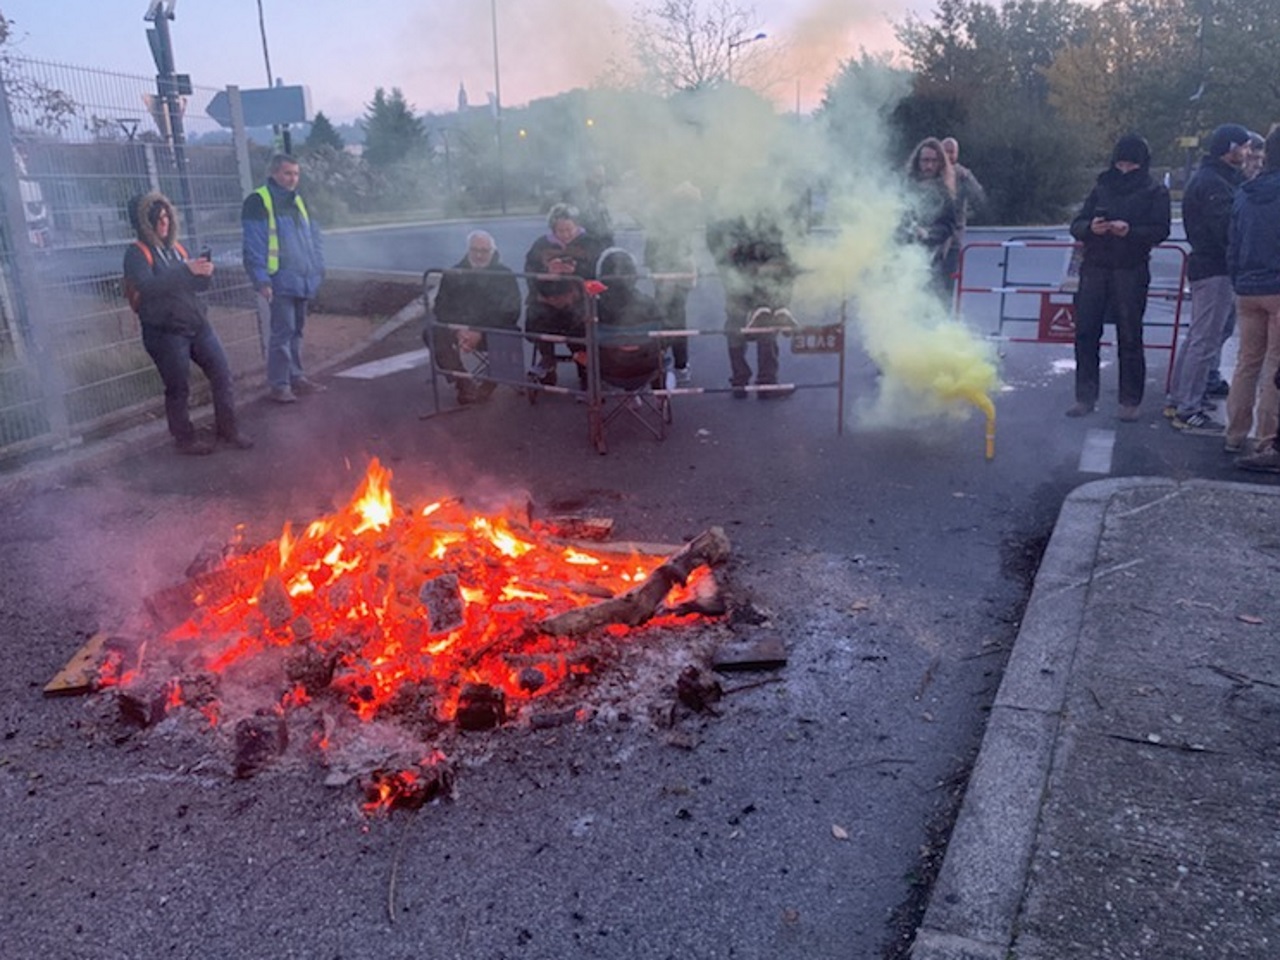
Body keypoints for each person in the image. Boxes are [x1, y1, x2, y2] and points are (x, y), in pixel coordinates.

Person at [124, 192, 252, 455]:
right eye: (158, 219)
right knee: (178, 387)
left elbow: (193, 286)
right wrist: (185, 270)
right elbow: (147, 287)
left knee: (222, 374)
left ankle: (228, 429)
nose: (164, 223)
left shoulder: (176, 249)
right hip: (166, 331)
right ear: (144, 223)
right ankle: (184, 439)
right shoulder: (137, 253)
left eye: (166, 217)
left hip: (196, 324)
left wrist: (203, 274)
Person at [1065, 133, 1171, 421]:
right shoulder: (1102, 186)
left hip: (1131, 268)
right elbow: (1076, 224)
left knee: (1130, 335)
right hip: (1095, 268)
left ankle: (1130, 400)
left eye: (1131, 165)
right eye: (1121, 164)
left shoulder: (1155, 191)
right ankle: (1084, 397)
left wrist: (1131, 231)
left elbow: (1161, 230)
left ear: (1142, 164)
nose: (1124, 170)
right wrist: (1091, 228)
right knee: (1086, 332)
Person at [1165, 123, 1249, 434]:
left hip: (1210, 267)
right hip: (1215, 269)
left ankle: (1178, 399)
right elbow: (1227, 229)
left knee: (1200, 335)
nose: (1247, 152)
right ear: (1229, 148)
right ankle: (1188, 408)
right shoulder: (1214, 184)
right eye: (1243, 146)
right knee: (1206, 339)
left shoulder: (1218, 178)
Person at [242, 152, 326, 404]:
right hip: (280, 279)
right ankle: (280, 384)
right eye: (288, 173)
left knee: (297, 330)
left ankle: (296, 377)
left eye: (296, 174)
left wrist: (318, 268)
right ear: (274, 173)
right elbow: (254, 244)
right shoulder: (258, 201)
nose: (292, 179)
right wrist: (262, 280)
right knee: (283, 331)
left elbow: (314, 236)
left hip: (303, 277)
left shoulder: (299, 201)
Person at [1225, 126, 1280, 468]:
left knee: (1246, 363)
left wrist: (1239, 280)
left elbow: (1232, 242)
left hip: (1247, 289)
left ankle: (1234, 434)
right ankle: (1267, 439)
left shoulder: (1244, 192)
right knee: (1276, 366)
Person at [705, 212, 798, 399]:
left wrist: (722, 260)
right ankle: (766, 382)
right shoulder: (758, 198)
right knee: (765, 319)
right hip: (758, 267)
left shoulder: (727, 198)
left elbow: (713, 232)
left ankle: (740, 382)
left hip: (735, 266)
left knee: (738, 319)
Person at [428, 230, 522, 405]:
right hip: (460, 329)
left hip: (491, 330)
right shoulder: (454, 273)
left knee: (511, 332)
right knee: (431, 332)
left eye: (484, 251)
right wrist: (458, 329)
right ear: (468, 250)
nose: (479, 255)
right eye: (474, 250)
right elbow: (441, 306)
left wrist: (479, 330)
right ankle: (462, 380)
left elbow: (512, 311)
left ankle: (492, 380)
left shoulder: (504, 274)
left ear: (492, 251)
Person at [523, 203, 607, 389]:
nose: (565, 235)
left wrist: (577, 270)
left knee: (580, 320)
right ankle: (547, 361)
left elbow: (600, 274)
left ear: (576, 225)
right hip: (547, 298)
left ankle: (585, 373)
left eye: (569, 229)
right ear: (553, 228)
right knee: (537, 315)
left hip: (578, 299)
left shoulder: (590, 243)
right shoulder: (541, 245)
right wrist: (547, 271)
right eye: (560, 230)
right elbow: (529, 271)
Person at [643, 182, 702, 386]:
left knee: (666, 316)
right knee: (674, 317)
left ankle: (665, 360)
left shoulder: (666, 215)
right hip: (671, 272)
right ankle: (676, 363)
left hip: (670, 273)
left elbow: (652, 249)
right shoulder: (675, 218)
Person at [594, 248, 666, 388]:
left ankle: (590, 389)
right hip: (647, 369)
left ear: (601, 275)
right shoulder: (649, 304)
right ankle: (660, 395)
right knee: (659, 350)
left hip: (607, 369)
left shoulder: (594, 307)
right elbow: (665, 339)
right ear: (635, 276)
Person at [903, 137, 961, 297]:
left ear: (940, 163)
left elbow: (948, 225)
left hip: (937, 257)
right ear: (918, 162)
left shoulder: (945, 192)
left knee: (936, 303)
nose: (929, 166)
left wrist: (928, 234)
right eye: (925, 160)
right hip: (905, 257)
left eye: (933, 161)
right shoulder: (907, 186)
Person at [940, 137, 986, 255]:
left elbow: (979, 198)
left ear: (957, 154)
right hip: (931, 235)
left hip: (954, 237)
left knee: (947, 271)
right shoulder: (930, 172)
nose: (948, 155)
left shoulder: (963, 176)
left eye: (952, 152)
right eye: (945, 151)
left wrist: (966, 214)